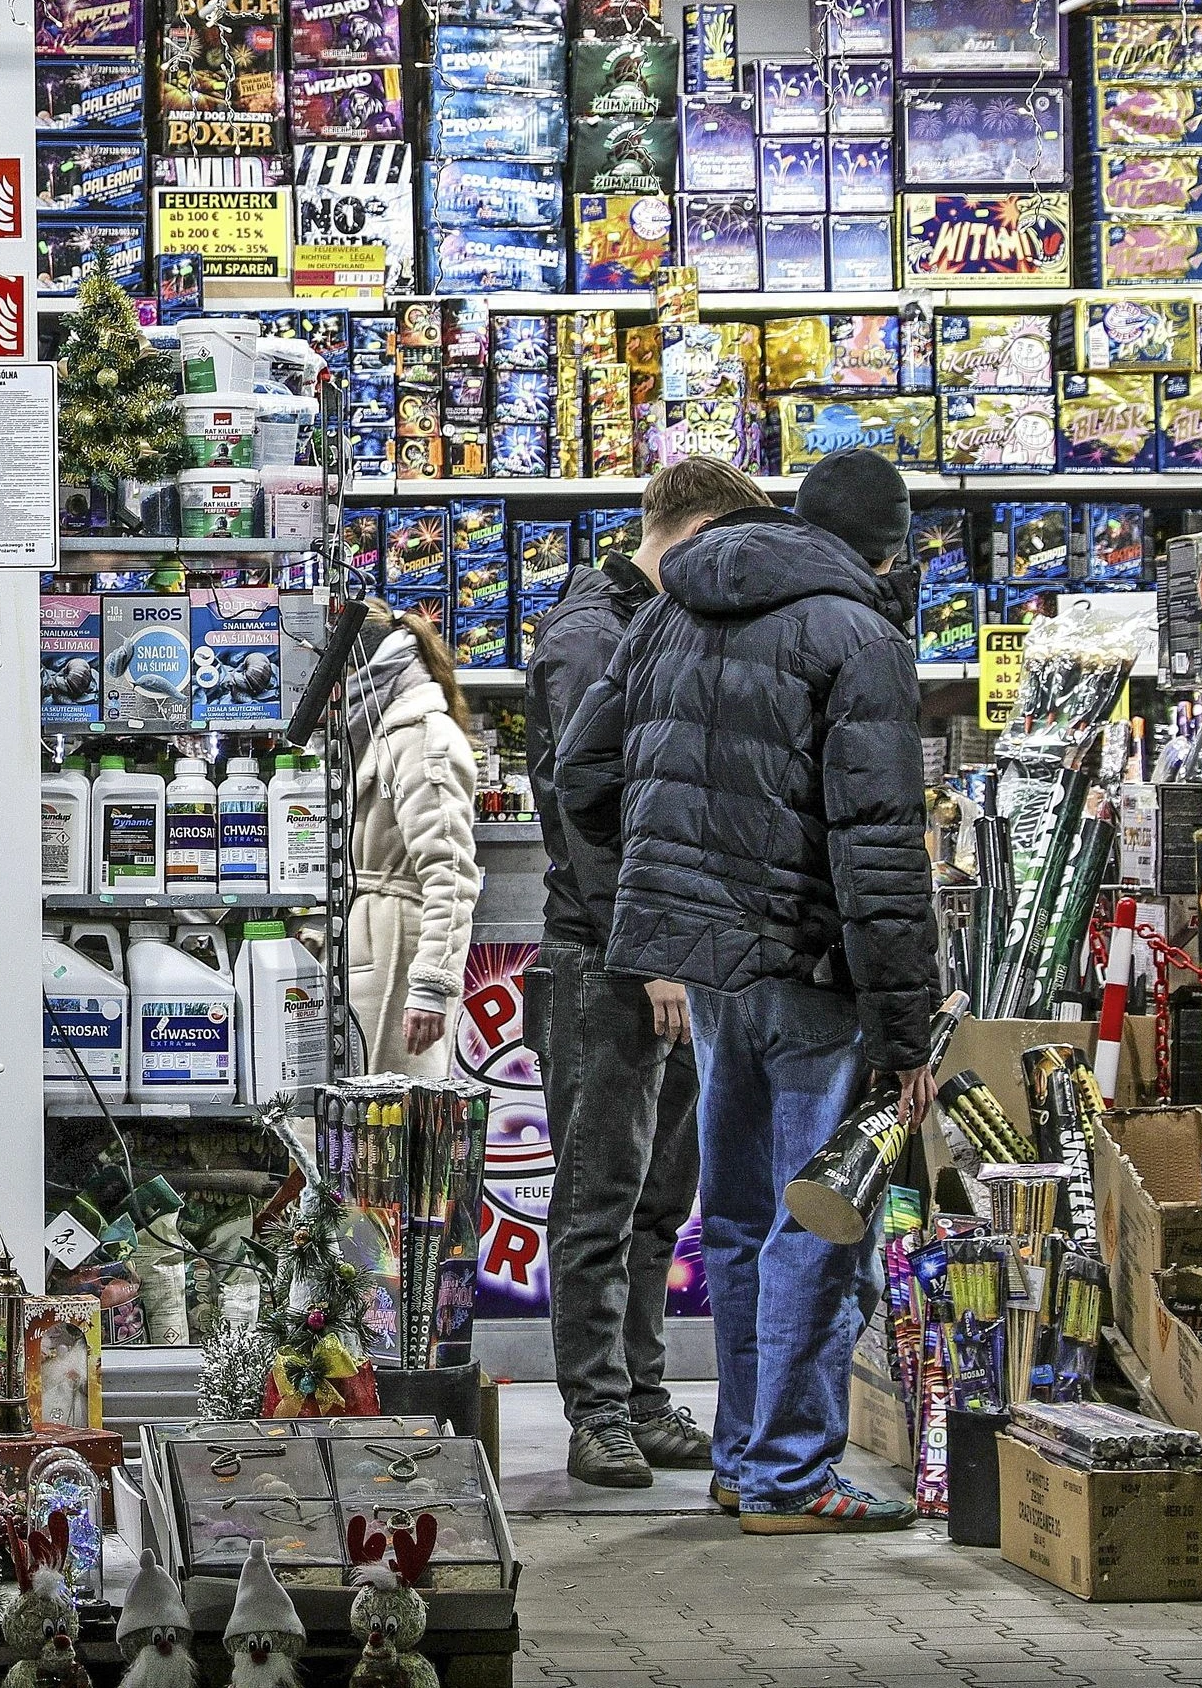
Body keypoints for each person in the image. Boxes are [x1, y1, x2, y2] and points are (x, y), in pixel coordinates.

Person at [556, 448, 941, 1533]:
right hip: (812, 973)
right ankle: (787, 1474)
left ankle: (741, 1456)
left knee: (731, 1213)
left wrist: (675, 870)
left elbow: (582, 776)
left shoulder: (670, 610)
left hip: (713, 967)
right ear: (884, 550)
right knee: (820, 1219)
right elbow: (880, 855)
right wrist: (907, 1028)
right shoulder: (863, 636)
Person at [525, 456, 769, 1489]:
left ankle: (640, 1393)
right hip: (606, 958)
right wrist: (657, 952)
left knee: (657, 1199)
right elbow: (596, 818)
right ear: (690, 529)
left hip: (668, 953)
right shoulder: (592, 636)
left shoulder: (658, 622)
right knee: (599, 1194)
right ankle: (596, 1412)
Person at [344, 603, 481, 1079]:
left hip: (398, 946)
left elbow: (452, 873)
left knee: (383, 1118)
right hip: (373, 938)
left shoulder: (423, 738)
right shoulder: (382, 732)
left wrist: (430, 984)